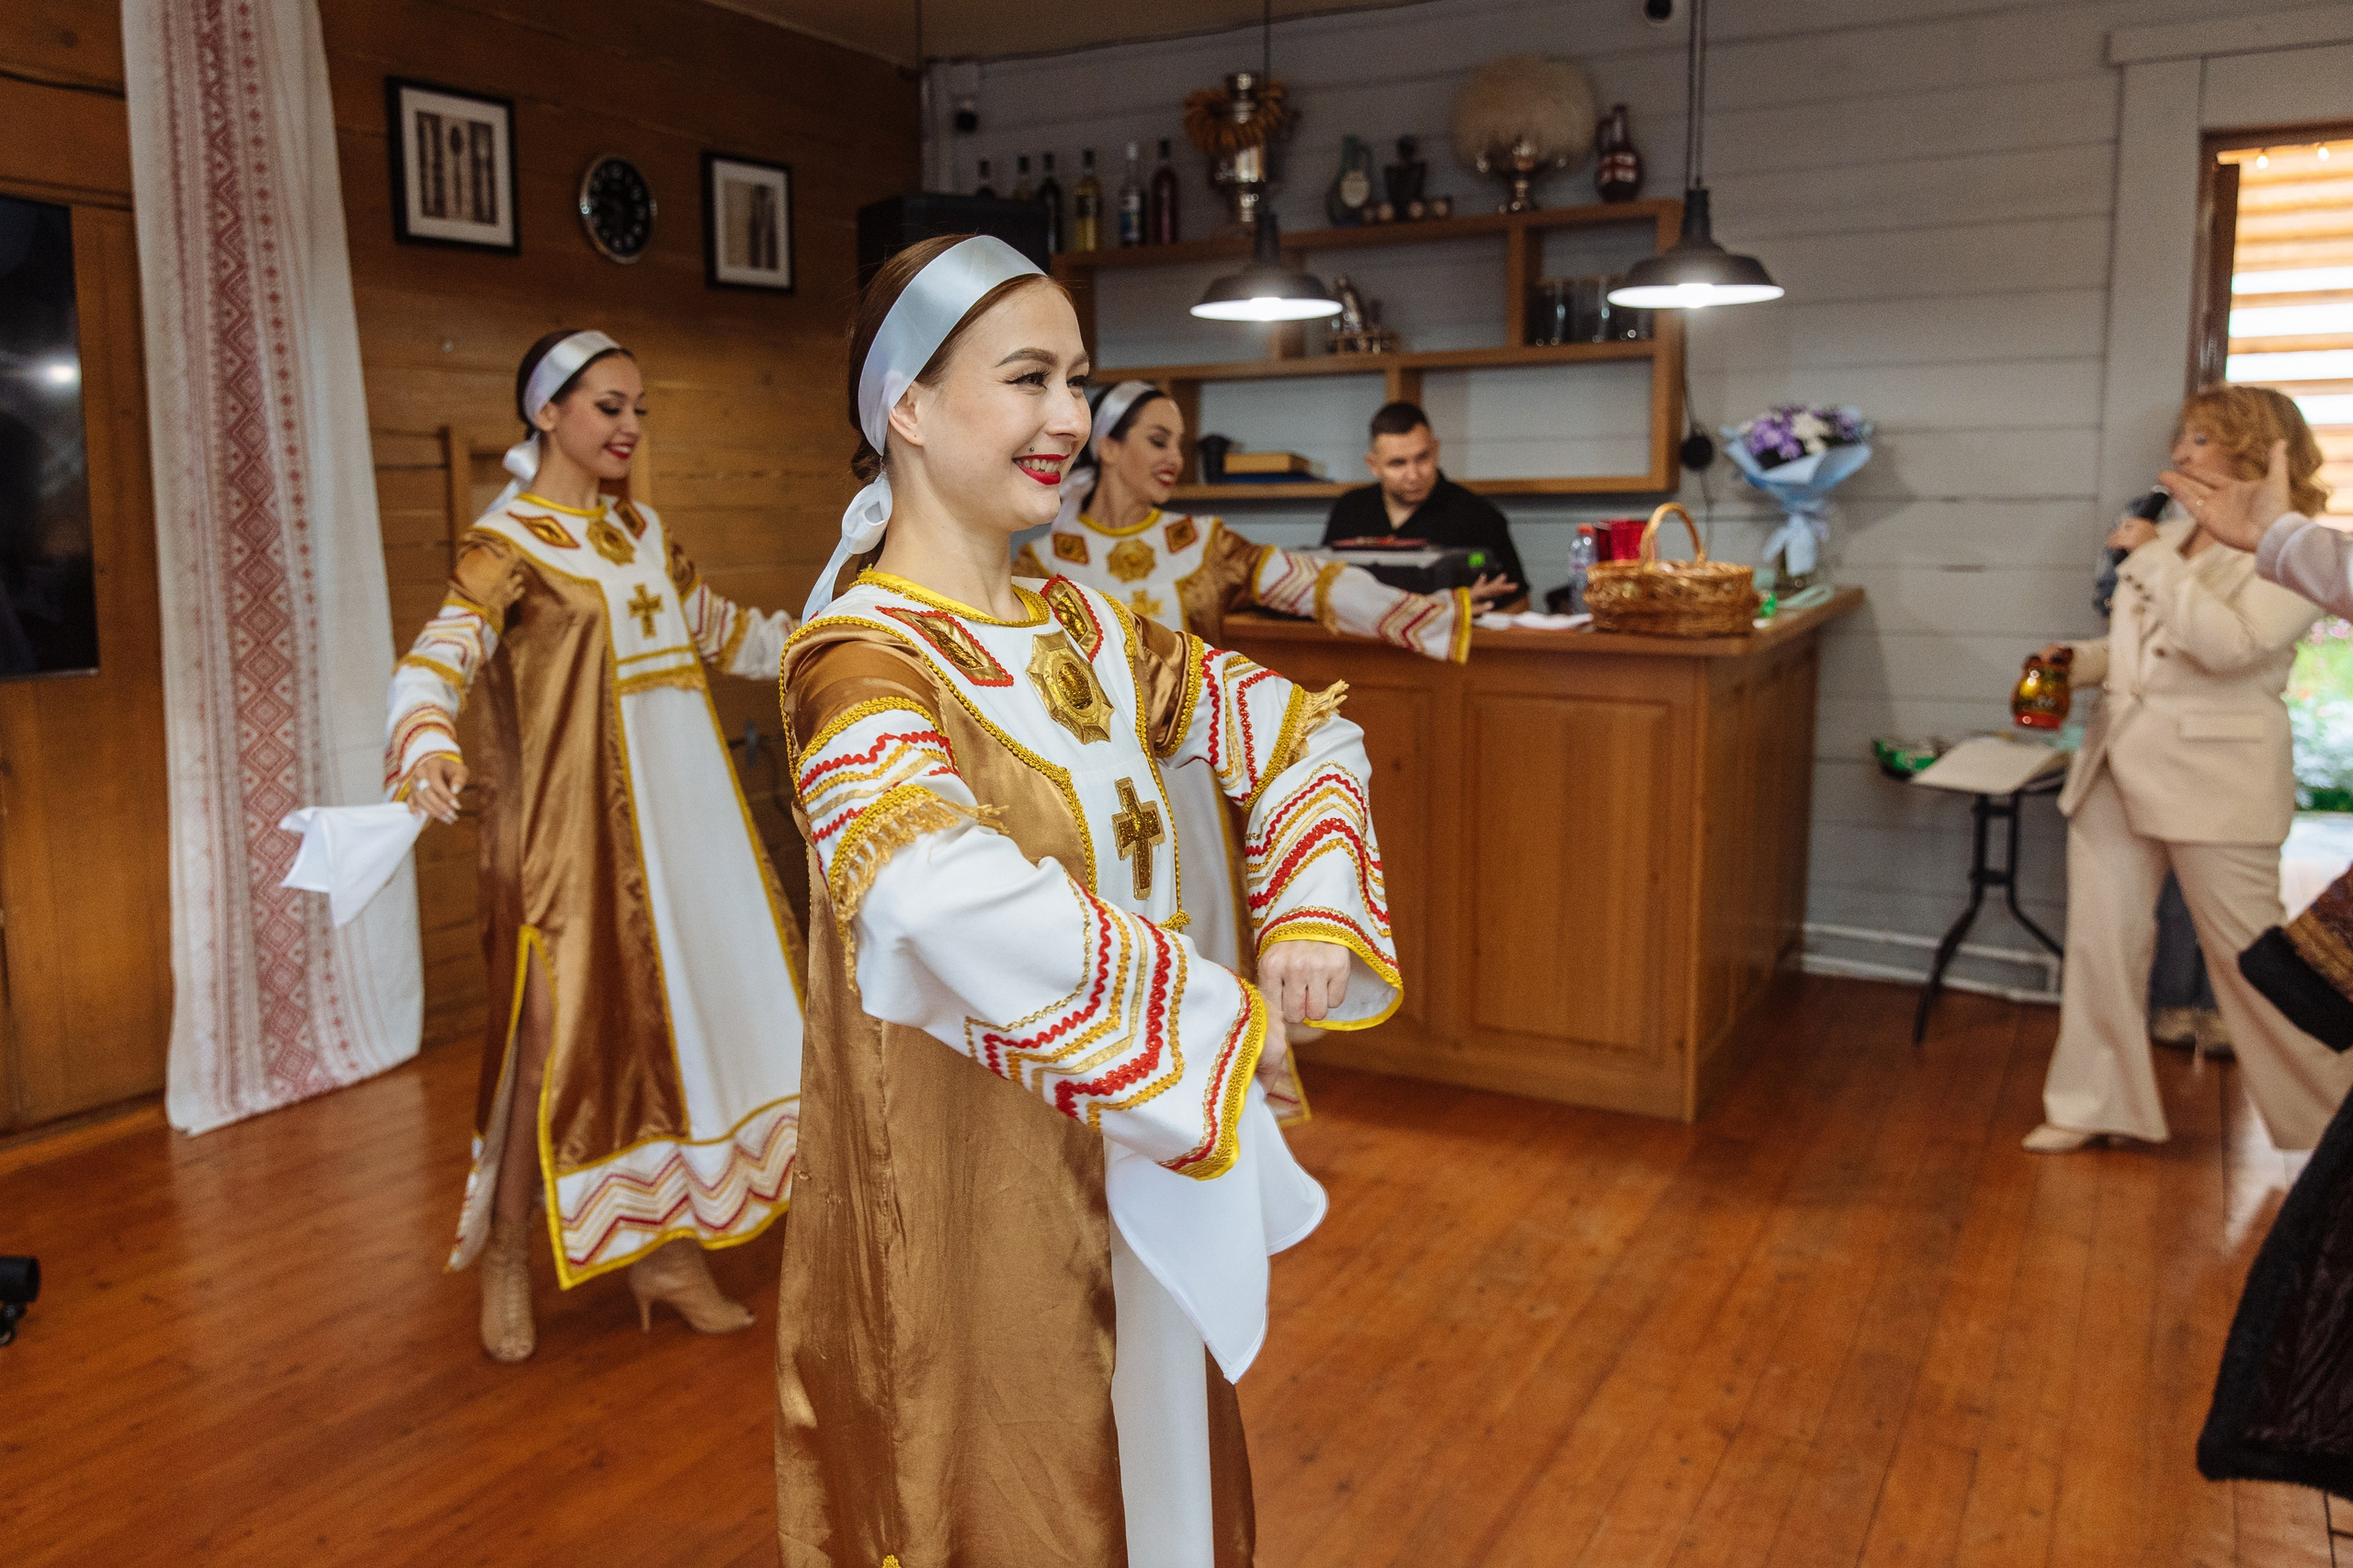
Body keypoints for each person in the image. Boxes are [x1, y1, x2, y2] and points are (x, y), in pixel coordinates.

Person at [774, 234, 1400, 1568]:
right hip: (976, 1194)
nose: (1071, 415)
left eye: (1078, 377)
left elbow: (1303, 734)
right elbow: (934, 892)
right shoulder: (857, 659)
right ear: (909, 407)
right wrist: (1213, 1015)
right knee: (1022, 1488)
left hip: (1140, 1144)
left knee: (1155, 1465)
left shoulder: (1092, 630)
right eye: (1028, 378)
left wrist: (1305, 902)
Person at [389, 329, 806, 1363]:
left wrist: (841, 633)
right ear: (547, 414)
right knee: (552, 1052)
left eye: (637, 409)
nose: (626, 426)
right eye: (606, 406)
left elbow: (727, 633)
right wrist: (424, 736)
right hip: (570, 847)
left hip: (685, 835)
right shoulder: (507, 545)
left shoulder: (641, 533)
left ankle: (664, 1253)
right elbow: (437, 656)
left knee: (671, 1043)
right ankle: (504, 1248)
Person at [1013, 380, 1503, 1120]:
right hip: (1079, 797)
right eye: (1157, 439)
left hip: (1188, 794)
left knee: (1205, 944)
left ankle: (1217, 1118)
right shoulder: (1039, 557)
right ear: (1106, 448)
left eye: (1180, 441)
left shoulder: (1206, 544)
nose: (1175, 456)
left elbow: (1320, 585)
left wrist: (1437, 615)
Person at [2022, 384, 2353, 1155]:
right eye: (2183, 437)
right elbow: (2145, 652)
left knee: (2258, 966)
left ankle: (2331, 1132)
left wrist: (2150, 565)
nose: (2179, 454)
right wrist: (2081, 660)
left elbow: (2230, 647)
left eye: (2201, 439)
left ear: (2251, 444)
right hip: (2114, 768)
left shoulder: (2299, 548)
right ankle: (2091, 1103)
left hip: (2216, 780)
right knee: (2102, 947)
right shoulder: (2171, 536)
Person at [1320, 400, 1529, 606]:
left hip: (1453, 638)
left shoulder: (1478, 514)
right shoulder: (1349, 508)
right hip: (1359, 638)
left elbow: (1518, 603)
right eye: (1397, 463)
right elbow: (1319, 590)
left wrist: (1465, 620)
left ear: (1436, 450)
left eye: (1422, 458)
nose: (1413, 475)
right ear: (1373, 465)